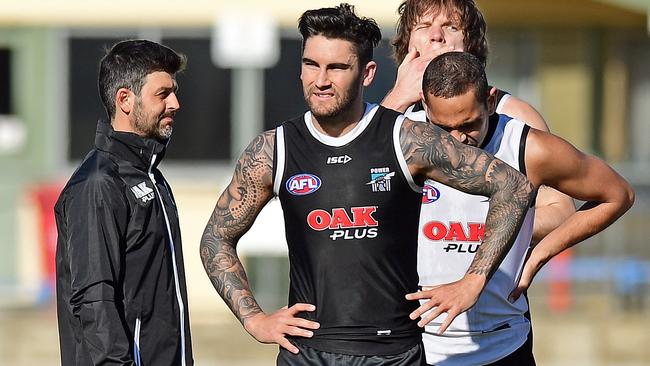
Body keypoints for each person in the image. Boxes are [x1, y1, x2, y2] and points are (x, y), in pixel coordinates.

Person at [199, 4, 534, 365]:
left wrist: (474, 280)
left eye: (338, 68)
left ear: (367, 73)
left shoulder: (407, 139)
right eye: (311, 65)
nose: (321, 80)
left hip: (393, 354)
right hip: (306, 354)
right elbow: (215, 238)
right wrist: (253, 318)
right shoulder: (272, 149)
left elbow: (512, 187)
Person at [406, 51, 635, 365]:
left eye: (469, 125)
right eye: (443, 128)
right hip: (416, 347)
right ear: (425, 105)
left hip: (503, 344)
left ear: (490, 101)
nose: (458, 141)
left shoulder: (526, 146)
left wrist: (539, 254)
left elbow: (618, 194)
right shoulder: (402, 137)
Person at [383, 0, 576, 243]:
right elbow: (358, 192)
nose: (436, 36)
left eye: (450, 27)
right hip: (412, 281)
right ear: (407, 43)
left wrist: (473, 229)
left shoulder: (513, 115)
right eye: (423, 26)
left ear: (471, 43)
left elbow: (561, 211)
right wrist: (398, 98)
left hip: (486, 277)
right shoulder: (394, 111)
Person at [54, 39, 193, 365]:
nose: (175, 103)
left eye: (173, 91)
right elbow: (94, 300)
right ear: (125, 100)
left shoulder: (152, 177)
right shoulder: (98, 184)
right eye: (162, 94)